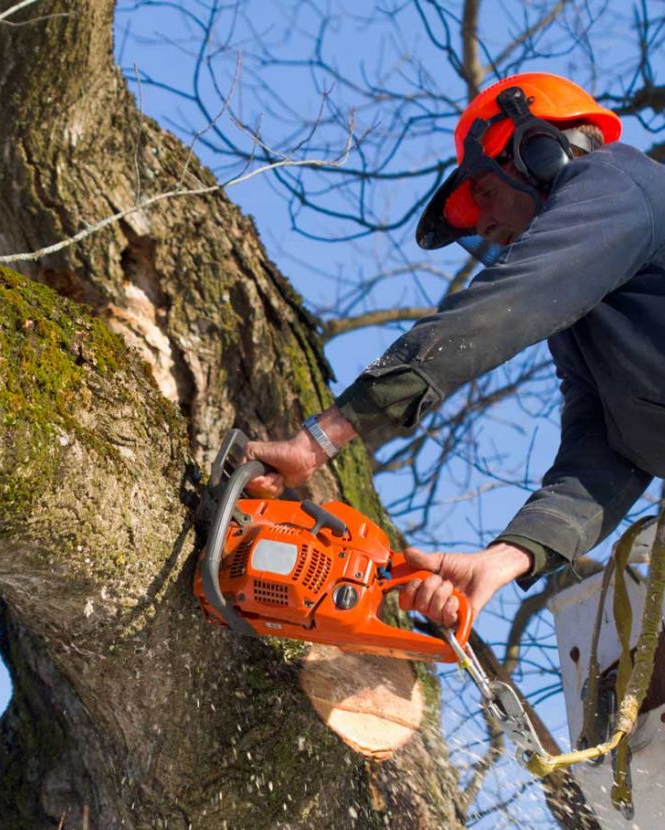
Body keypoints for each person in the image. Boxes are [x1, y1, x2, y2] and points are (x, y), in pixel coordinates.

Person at [246, 72, 665, 628]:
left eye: (486, 193)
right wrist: (505, 558)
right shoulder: (587, 313)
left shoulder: (618, 181)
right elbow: (606, 452)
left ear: (540, 152)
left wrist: (320, 436)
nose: (487, 227)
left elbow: (502, 306)